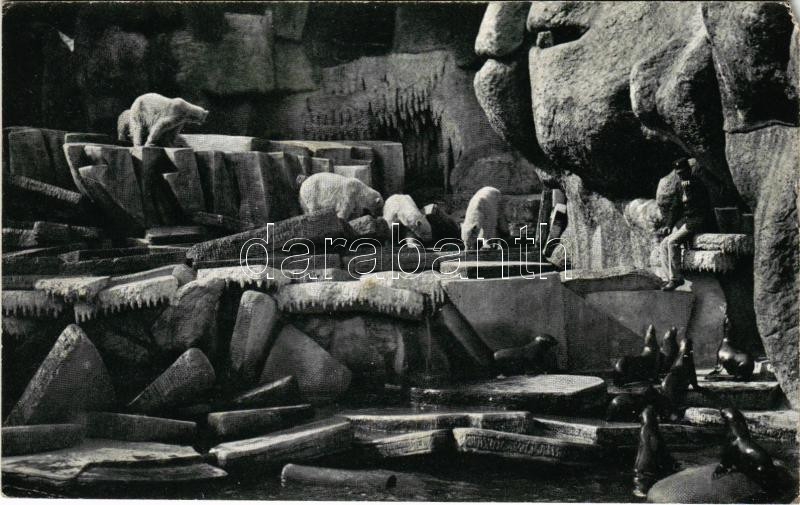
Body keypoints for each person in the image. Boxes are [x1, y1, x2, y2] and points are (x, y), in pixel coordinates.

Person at [658, 158, 713, 291]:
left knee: (672, 242)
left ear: (689, 170)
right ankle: (668, 279)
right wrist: (669, 225)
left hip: (699, 221)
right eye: (679, 173)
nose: (681, 175)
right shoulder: (679, 185)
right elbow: (675, 207)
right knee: (664, 243)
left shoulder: (697, 184)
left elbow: (701, 207)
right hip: (688, 221)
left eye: (683, 172)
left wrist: (688, 188)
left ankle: (676, 279)